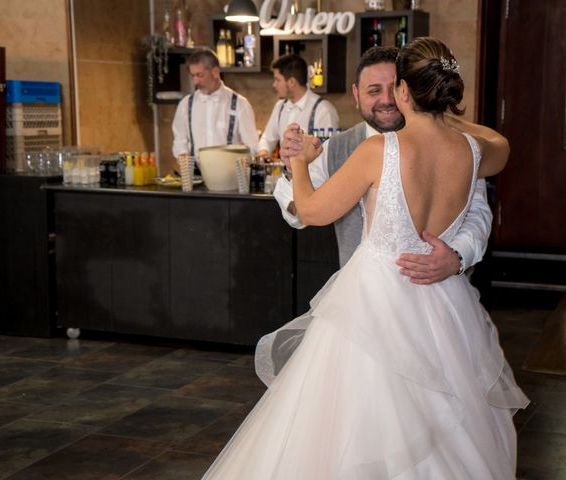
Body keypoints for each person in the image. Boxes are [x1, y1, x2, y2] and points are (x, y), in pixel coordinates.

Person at [202, 37, 528, 479]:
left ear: (404, 92)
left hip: (374, 302)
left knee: (350, 417)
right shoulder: (471, 153)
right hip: (444, 308)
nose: (385, 95)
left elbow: (314, 211)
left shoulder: (380, 151)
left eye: (392, 86)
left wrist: (298, 164)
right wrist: (441, 112)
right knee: (446, 413)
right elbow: (500, 146)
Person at [274, 47, 491, 283]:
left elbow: (477, 211)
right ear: (356, 94)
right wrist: (292, 166)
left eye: (393, 88)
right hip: (364, 299)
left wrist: (458, 257)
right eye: (374, 90)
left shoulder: (453, 144)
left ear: (406, 90)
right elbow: (298, 212)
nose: (387, 100)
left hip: (441, 291)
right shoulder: (335, 148)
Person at [172, 48, 258, 159]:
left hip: (230, 173)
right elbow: (179, 140)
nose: (195, 81)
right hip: (196, 174)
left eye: (200, 75)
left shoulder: (240, 104)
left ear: (215, 72)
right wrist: (182, 153)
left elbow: (252, 146)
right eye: (193, 76)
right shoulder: (186, 105)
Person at [256, 54, 339, 157]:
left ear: (291, 82)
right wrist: (263, 152)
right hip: (284, 172)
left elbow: (329, 154)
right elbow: (267, 139)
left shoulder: (323, 110)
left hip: (312, 173)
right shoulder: (280, 107)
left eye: (277, 80)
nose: (274, 85)